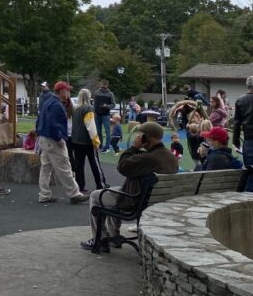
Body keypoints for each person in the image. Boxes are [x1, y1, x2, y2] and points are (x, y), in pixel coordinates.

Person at [81, 121, 178, 251]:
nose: (138, 136)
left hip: (135, 201)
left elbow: (122, 167)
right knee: (111, 193)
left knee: (96, 196)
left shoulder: (147, 158)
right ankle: (113, 237)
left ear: (147, 137)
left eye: (141, 134)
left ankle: (100, 239)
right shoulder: (170, 157)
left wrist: (134, 147)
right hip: (157, 200)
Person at [34, 81, 87, 204]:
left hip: (43, 138)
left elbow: (40, 118)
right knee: (64, 167)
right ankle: (74, 193)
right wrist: (59, 139)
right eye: (67, 90)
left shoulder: (48, 101)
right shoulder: (57, 105)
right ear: (62, 91)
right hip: (53, 139)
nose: (69, 92)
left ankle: (44, 194)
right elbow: (54, 124)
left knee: (45, 168)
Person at [70, 88, 104, 192]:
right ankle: (100, 184)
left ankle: (80, 186)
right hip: (87, 141)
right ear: (88, 97)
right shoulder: (88, 108)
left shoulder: (75, 108)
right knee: (94, 163)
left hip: (76, 140)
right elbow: (91, 126)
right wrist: (96, 141)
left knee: (79, 165)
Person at [92, 80, 115, 152]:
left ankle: (107, 146)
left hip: (106, 115)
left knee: (107, 131)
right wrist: (94, 111)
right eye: (102, 87)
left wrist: (107, 106)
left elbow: (113, 105)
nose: (103, 88)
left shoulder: (110, 94)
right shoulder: (96, 92)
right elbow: (94, 103)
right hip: (97, 114)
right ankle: (100, 145)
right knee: (98, 131)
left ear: (107, 86)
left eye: (104, 87)